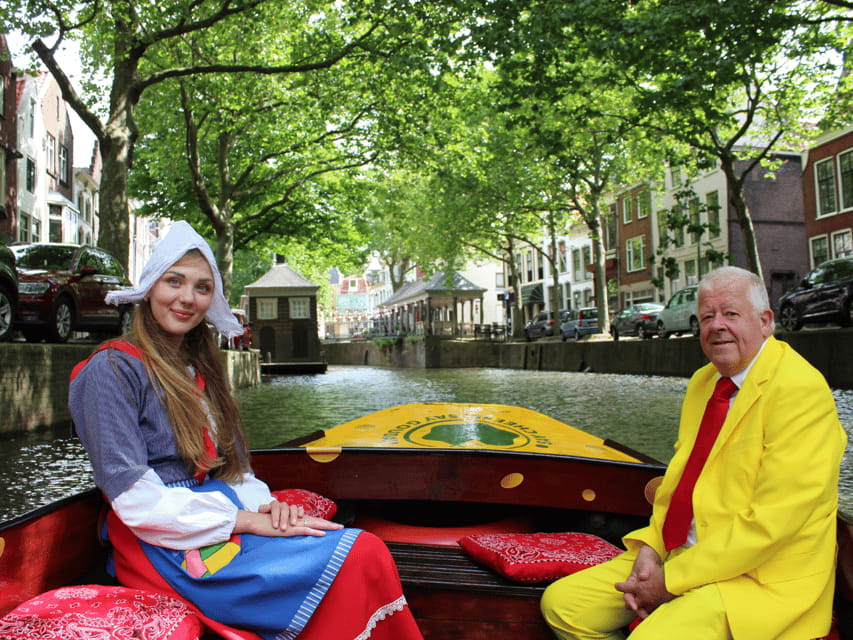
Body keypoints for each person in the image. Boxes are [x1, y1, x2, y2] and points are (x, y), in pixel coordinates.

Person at [68, 221, 423, 640]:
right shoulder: (111, 370)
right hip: (162, 543)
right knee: (359, 552)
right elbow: (135, 501)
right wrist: (249, 522)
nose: (187, 298)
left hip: (220, 515)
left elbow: (235, 472)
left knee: (365, 548)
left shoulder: (200, 369)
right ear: (149, 288)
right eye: (174, 282)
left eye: (202, 288)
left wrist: (268, 508)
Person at [541, 266, 847, 640]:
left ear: (765, 321)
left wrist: (670, 581)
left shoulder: (800, 391)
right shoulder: (705, 381)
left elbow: (774, 524)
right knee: (563, 607)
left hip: (760, 578)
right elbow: (681, 482)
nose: (717, 326)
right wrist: (652, 548)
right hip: (682, 555)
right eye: (707, 317)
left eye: (731, 313)